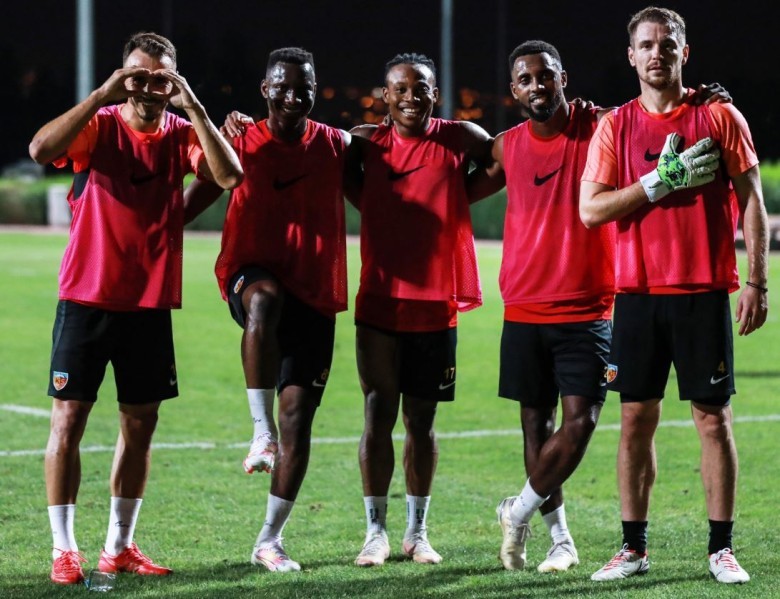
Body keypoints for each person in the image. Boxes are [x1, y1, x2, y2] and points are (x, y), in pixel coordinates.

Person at [480, 40, 733, 575]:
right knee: (535, 426)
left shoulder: (601, 124)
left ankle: (516, 510)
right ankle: (560, 540)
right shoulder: (505, 146)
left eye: (545, 75)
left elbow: (651, 109)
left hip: (590, 306)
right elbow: (452, 180)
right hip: (522, 304)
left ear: (563, 77)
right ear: (513, 91)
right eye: (525, 80)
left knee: (582, 422)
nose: (536, 86)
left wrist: (701, 97)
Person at [28, 32, 243, 585]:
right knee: (68, 420)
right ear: (123, 77)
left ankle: (119, 547)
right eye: (137, 76)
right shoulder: (99, 126)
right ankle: (64, 549)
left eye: (159, 78)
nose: (147, 88)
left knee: (140, 425)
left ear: (173, 82)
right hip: (86, 296)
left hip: (148, 304)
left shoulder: (180, 133)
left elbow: (229, 177)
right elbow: (41, 150)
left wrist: (195, 108)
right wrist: (101, 94)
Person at [579, 7, 769, 584]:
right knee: (635, 419)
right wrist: (657, 182)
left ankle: (721, 549)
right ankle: (633, 549)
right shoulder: (615, 126)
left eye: (666, 44)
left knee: (713, 420)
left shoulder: (719, 114)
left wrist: (757, 280)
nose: (656, 53)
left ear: (684, 53)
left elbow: (753, 201)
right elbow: (591, 210)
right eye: (646, 45)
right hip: (637, 294)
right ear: (631, 55)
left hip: (702, 290)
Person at [184, 47, 351, 573]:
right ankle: (260, 430)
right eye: (282, 86)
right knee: (264, 300)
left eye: (304, 87)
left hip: (315, 292)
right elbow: (190, 202)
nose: (293, 95)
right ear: (265, 90)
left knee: (298, 420)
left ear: (315, 91)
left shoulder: (336, 145)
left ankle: (269, 540)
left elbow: (392, 157)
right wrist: (139, 229)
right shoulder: (239, 141)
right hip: (249, 273)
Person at [348, 53, 495, 567]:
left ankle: (417, 532)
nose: (411, 97)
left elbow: (504, 161)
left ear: (436, 94)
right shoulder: (365, 143)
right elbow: (333, 169)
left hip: (435, 303)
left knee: (421, 420)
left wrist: (460, 196)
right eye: (401, 89)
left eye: (421, 88)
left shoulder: (460, 137)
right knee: (377, 412)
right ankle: (375, 533)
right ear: (385, 96)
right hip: (380, 299)